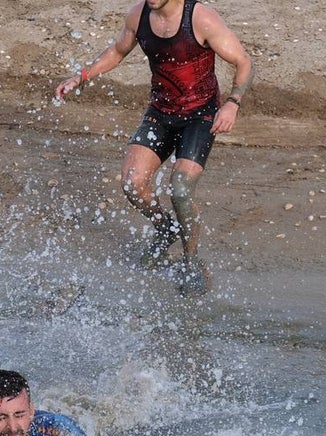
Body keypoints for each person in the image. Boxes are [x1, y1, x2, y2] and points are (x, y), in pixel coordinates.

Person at [54, 0, 254, 293]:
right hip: (161, 113)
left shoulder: (201, 19)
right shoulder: (139, 15)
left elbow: (244, 62)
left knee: (181, 190)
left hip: (200, 116)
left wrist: (232, 104)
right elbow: (119, 50)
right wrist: (82, 76)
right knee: (132, 184)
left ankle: (191, 260)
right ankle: (164, 229)